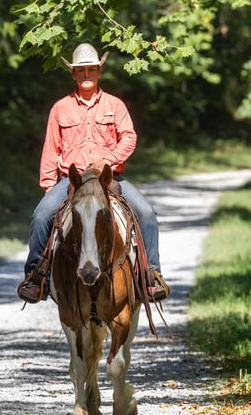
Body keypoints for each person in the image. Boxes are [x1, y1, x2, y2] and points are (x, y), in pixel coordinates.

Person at [17, 43, 170, 304]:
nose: (86, 75)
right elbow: (51, 148)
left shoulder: (115, 105)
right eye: (81, 70)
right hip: (70, 180)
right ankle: (36, 276)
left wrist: (108, 160)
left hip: (108, 179)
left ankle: (150, 275)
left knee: (146, 213)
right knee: (41, 215)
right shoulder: (60, 108)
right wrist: (48, 188)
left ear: (99, 71)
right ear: (73, 74)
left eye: (91, 69)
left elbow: (129, 138)